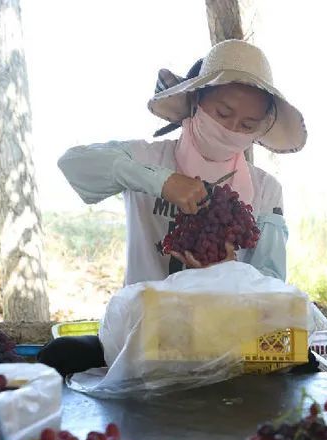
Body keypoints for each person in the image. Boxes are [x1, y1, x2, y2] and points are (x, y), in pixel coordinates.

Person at [40, 39, 312, 375]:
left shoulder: (265, 190)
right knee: (60, 354)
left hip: (225, 343)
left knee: (301, 354)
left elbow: (271, 284)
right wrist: (161, 182)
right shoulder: (147, 159)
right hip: (145, 340)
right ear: (197, 100)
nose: (231, 130)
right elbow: (74, 164)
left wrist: (227, 275)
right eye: (223, 114)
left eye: (247, 125)